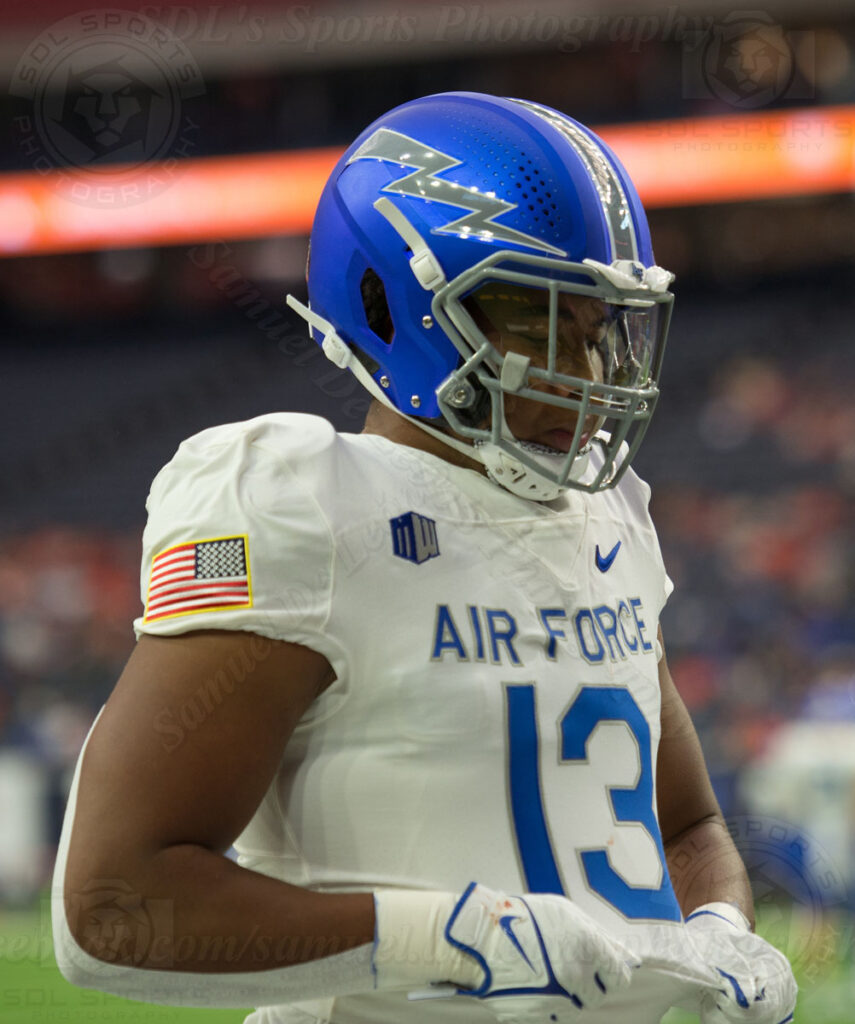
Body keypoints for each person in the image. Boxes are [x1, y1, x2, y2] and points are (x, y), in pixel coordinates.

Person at [52, 91, 797, 1024]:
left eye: (597, 329)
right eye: (536, 324)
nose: (586, 375)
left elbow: (684, 826)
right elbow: (112, 907)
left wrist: (721, 924)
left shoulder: (609, 515)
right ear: (385, 302)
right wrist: (454, 938)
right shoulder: (308, 503)